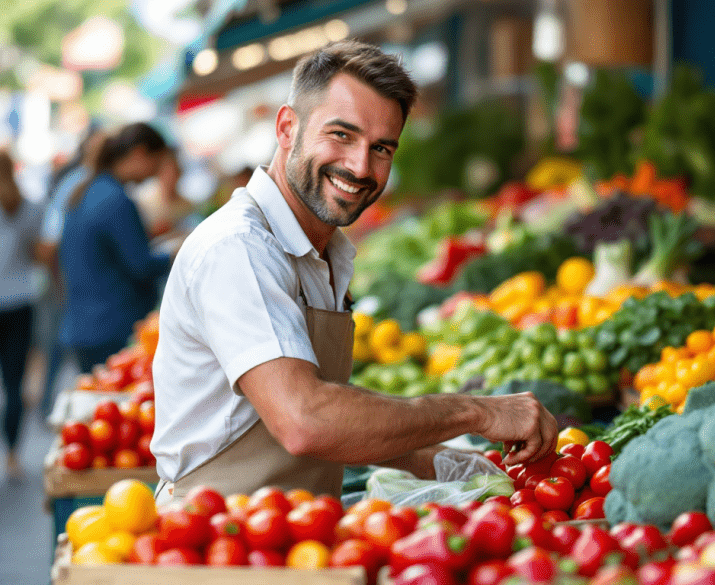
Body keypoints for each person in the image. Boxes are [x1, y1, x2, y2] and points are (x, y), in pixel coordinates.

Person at [150, 40, 558, 504]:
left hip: (293, 531)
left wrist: (439, 460)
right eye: (341, 135)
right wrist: (475, 412)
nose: (361, 166)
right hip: (212, 545)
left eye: (381, 148)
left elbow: (322, 409)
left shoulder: (323, 251)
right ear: (287, 128)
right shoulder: (240, 248)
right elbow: (305, 419)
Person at [58, 123, 173, 373]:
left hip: (84, 324)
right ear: (141, 153)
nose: (156, 172)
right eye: (158, 162)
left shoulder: (87, 190)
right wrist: (175, 253)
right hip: (113, 325)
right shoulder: (116, 199)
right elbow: (141, 265)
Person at [36, 127, 107, 412]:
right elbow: (49, 243)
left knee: (60, 345)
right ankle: (46, 404)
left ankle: (46, 403)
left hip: (71, 283)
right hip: (66, 283)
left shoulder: (84, 185)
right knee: (57, 344)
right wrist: (62, 282)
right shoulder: (78, 184)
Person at [0, 150, 45, 479]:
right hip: (19, 300)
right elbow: (39, 253)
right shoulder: (27, 205)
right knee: (14, 383)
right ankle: (12, 454)